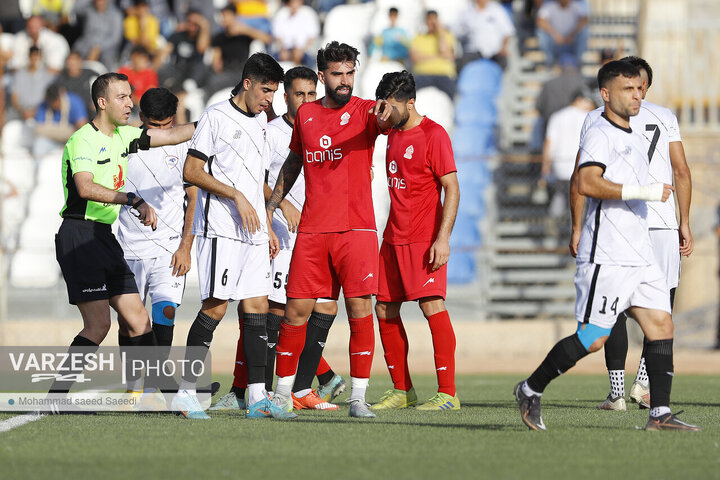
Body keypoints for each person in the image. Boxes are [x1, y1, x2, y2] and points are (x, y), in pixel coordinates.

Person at [514, 60, 700, 432]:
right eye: (627, 89)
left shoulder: (633, 132)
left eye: (639, 88)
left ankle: (659, 414)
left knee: (661, 324)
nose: (637, 95)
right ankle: (530, 388)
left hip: (641, 251)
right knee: (595, 338)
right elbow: (586, 181)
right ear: (605, 94)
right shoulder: (600, 131)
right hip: (609, 253)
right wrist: (643, 192)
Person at [266, 41, 401, 419]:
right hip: (312, 231)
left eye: (350, 73)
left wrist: (389, 112)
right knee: (295, 312)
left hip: (356, 230)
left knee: (360, 309)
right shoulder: (307, 114)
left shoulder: (365, 112)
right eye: (338, 74)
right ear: (322, 75)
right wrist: (274, 203)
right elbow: (294, 161)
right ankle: (281, 397)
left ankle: (358, 398)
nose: (345, 81)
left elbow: (386, 121)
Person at [51, 72, 196, 409]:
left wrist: (220, 117)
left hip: (104, 237)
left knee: (139, 321)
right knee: (98, 325)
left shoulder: (124, 136)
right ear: (102, 102)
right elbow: (85, 189)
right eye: (122, 97)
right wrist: (133, 199)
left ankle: (169, 394)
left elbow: (173, 134)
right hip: (79, 234)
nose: (130, 103)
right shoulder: (82, 140)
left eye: (131, 96)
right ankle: (55, 399)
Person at [211, 66, 346, 412]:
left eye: (311, 94)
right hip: (283, 236)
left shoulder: (325, 125)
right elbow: (257, 180)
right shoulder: (269, 132)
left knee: (326, 306)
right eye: (298, 94)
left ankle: (306, 387)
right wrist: (279, 209)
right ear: (284, 96)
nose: (305, 101)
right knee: (274, 311)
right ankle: (256, 390)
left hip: (320, 232)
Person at [173, 52, 294, 420]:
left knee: (257, 305)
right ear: (247, 83)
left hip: (254, 231)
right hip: (222, 229)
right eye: (266, 90)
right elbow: (192, 171)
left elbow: (253, 172)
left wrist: (268, 213)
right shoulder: (215, 117)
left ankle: (256, 396)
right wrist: (236, 195)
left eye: (274, 93)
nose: (269, 99)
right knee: (216, 307)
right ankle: (185, 393)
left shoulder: (261, 120)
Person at [568, 57, 693, 411]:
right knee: (660, 309)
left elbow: (580, 177)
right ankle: (643, 383)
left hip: (619, 223)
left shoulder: (596, 117)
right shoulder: (665, 116)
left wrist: (577, 226)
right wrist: (684, 222)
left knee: (616, 309)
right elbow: (681, 171)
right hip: (663, 224)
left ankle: (617, 393)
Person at [370, 71, 461, 411]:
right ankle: (402, 390)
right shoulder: (391, 132)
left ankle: (448, 394)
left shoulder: (434, 135)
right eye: (383, 107)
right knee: (383, 307)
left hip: (424, 239)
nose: (385, 113)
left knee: (431, 306)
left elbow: (452, 187)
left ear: (411, 103)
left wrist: (443, 239)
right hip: (393, 237)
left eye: (391, 107)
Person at [116, 87, 197, 393]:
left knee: (165, 312)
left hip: (168, 249)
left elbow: (193, 197)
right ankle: (136, 381)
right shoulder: (124, 145)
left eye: (166, 126)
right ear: (140, 118)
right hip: (128, 248)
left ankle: (158, 385)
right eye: (153, 125)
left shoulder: (184, 146)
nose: (161, 132)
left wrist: (185, 246)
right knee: (129, 322)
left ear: (174, 119)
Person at [538, 89, 594, 224]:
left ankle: (552, 223)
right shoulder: (588, 117)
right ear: (579, 100)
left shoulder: (557, 116)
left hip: (560, 167)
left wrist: (545, 166)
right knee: (579, 205)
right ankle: (573, 231)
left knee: (560, 196)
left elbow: (549, 143)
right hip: (580, 167)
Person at [207, 6, 271, 96]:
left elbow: (267, 39)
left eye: (227, 16)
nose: (224, 19)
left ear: (234, 17)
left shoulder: (244, 35)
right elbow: (216, 60)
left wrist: (246, 30)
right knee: (210, 78)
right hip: (226, 71)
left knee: (215, 82)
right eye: (223, 16)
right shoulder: (219, 37)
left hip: (241, 71)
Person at [454, 0, 515, 71]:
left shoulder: (497, 10)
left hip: (494, 53)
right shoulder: (466, 12)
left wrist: (503, 48)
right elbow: (457, 31)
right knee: (461, 64)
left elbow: (507, 32)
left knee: (502, 62)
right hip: (473, 51)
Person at [410, 10, 457, 99]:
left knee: (450, 94)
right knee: (409, 95)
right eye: (429, 19)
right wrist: (439, 56)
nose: (431, 22)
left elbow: (444, 51)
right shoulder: (419, 37)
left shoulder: (447, 35)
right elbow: (415, 58)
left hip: (443, 74)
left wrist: (440, 32)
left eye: (434, 20)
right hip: (422, 74)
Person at [33, 83, 88, 158]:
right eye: (51, 102)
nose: (55, 104)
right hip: (51, 142)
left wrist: (69, 142)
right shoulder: (43, 106)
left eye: (56, 100)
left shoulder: (75, 101)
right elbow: (38, 129)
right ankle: (38, 168)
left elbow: (82, 128)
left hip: (71, 141)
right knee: (39, 145)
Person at [72, 0, 124, 69]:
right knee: (75, 52)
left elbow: (115, 38)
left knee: (107, 58)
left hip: (106, 48)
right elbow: (75, 9)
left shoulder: (116, 14)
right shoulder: (89, 10)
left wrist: (98, 48)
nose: (99, 2)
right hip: (86, 44)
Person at [536, 0, 589, 68]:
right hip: (555, 43)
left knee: (585, 31)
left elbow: (585, 19)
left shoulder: (576, 6)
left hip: (571, 42)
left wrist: (572, 34)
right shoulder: (550, 6)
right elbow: (540, 21)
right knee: (541, 33)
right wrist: (555, 35)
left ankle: (578, 61)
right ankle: (550, 62)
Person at [271, 0, 319, 67]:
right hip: (285, 50)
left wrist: (301, 51)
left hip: (304, 51)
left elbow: (312, 37)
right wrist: (283, 50)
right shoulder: (282, 13)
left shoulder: (309, 13)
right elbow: (277, 36)